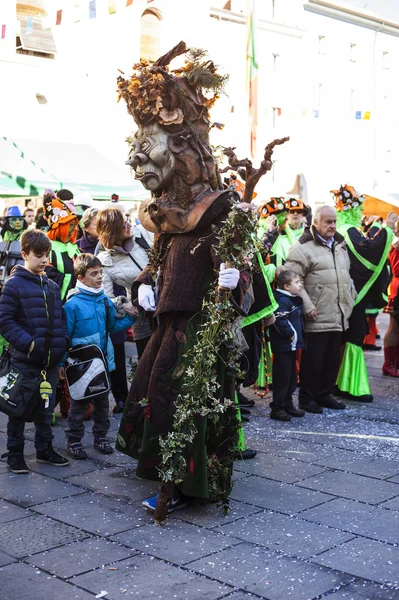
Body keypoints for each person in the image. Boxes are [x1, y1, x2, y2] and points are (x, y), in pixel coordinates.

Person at [115, 41, 264, 520]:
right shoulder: (168, 212)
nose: (136, 162)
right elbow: (163, 251)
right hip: (169, 319)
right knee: (153, 391)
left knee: (181, 397)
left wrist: (230, 280)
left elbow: (241, 275)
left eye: (146, 148)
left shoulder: (220, 208)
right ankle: (165, 472)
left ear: (179, 147)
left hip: (200, 326)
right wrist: (146, 277)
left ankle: (181, 483)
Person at [0, 230, 69, 473]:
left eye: (46, 255)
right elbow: (5, 321)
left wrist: (60, 358)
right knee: (17, 409)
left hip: (49, 363)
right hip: (25, 361)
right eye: (38, 255)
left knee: (45, 407)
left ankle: (44, 450)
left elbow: (59, 321)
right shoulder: (13, 285)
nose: (44, 260)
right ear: (25, 254)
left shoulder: (50, 285)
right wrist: (29, 344)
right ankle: (15, 454)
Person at [62, 254, 136, 459]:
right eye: (94, 273)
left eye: (100, 272)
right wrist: (61, 364)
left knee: (103, 404)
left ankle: (100, 437)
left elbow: (112, 326)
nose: (99, 277)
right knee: (79, 405)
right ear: (81, 277)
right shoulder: (72, 305)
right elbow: (64, 336)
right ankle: (74, 440)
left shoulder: (104, 301)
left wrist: (131, 318)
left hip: (103, 362)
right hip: (81, 365)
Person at [285, 205, 356, 413]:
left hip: (338, 312)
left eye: (334, 221)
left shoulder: (340, 244)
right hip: (316, 313)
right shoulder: (302, 247)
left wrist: (351, 296)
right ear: (315, 222)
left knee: (332, 359)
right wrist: (307, 305)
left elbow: (346, 275)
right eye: (328, 222)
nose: (333, 226)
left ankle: (324, 395)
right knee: (313, 361)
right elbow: (292, 278)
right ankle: (307, 399)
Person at [330, 185, 395, 401]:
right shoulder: (348, 229)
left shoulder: (344, 228)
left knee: (345, 335)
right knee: (354, 334)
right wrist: (388, 230)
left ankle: (339, 382)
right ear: (353, 210)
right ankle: (351, 385)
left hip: (341, 292)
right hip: (349, 294)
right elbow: (367, 252)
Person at [96, 207, 153, 360]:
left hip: (167, 302)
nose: (129, 226)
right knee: (148, 361)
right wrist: (123, 305)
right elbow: (104, 297)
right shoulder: (105, 260)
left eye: (128, 221)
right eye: (124, 225)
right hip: (142, 315)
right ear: (112, 231)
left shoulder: (144, 234)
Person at [269, 269, 305, 421]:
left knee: (291, 377)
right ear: (286, 286)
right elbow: (280, 321)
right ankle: (277, 408)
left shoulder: (292, 298)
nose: (300, 285)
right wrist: (291, 335)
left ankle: (288, 404)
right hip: (284, 346)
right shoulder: (282, 300)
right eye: (297, 282)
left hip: (291, 347)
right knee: (282, 378)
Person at [43, 192, 81, 303]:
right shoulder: (47, 249)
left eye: (73, 225)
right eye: (69, 225)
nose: (73, 230)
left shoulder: (74, 248)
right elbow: (48, 279)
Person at [383, 218, 399, 377]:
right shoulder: (397, 245)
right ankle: (389, 364)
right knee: (394, 328)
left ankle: (397, 361)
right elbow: (397, 269)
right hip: (398, 291)